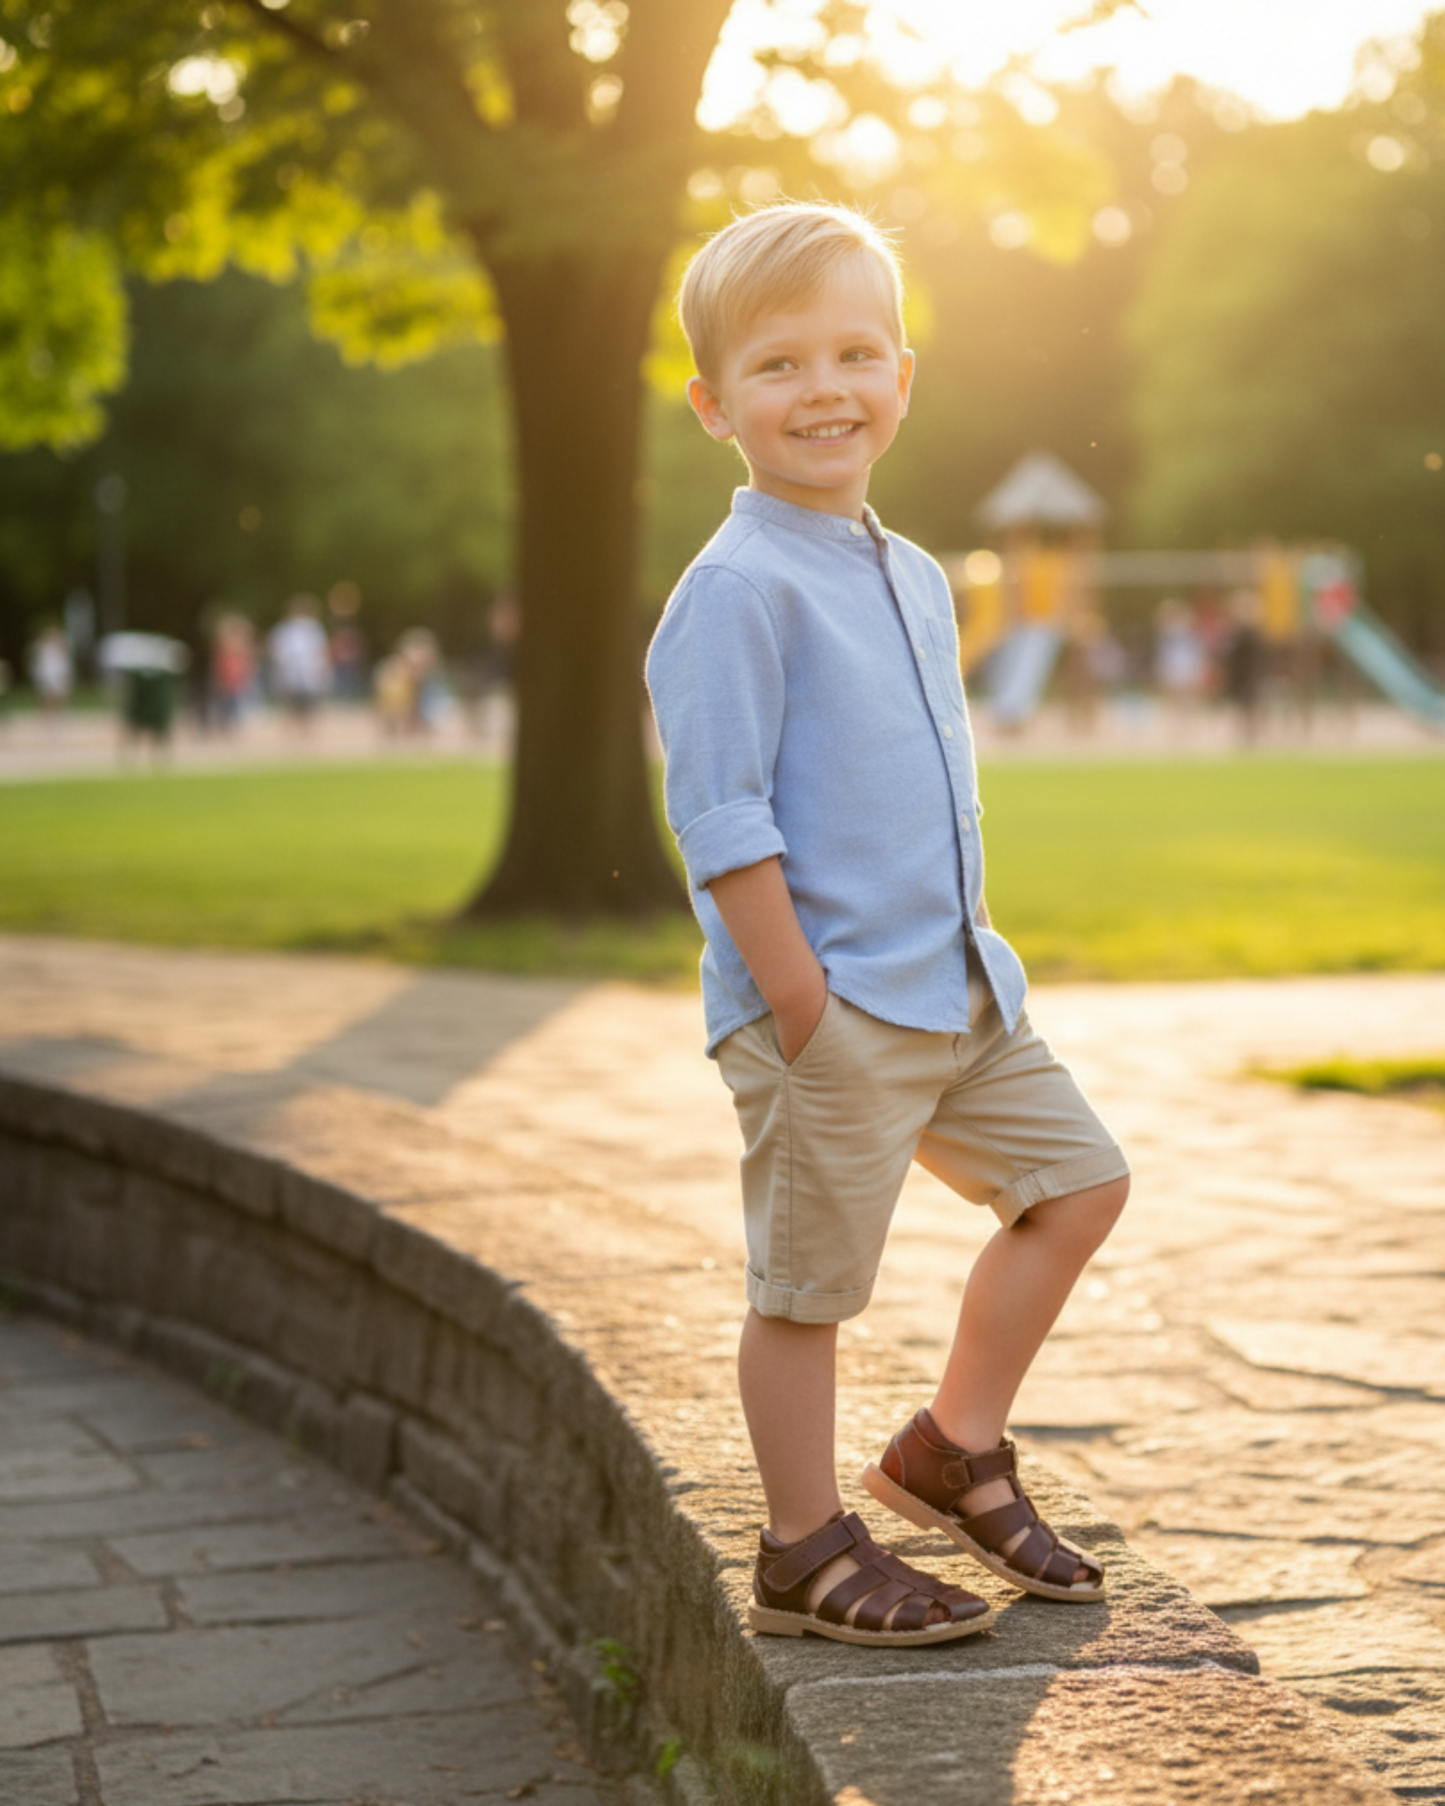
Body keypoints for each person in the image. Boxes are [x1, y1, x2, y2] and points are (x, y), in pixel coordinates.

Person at [646, 203, 1130, 1649]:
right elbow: (724, 815)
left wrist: (974, 960)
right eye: (781, 364)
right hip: (834, 1003)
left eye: (855, 352)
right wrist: (802, 1004)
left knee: (1078, 1186)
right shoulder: (734, 589)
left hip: (959, 989)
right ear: (714, 404)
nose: (824, 389)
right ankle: (800, 1546)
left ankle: (950, 1444)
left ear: (904, 379)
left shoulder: (914, 573)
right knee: (808, 1288)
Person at [267, 594, 331, 732]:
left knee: (307, 705)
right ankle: (296, 732)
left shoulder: (312, 629)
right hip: (293, 673)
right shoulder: (286, 630)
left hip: (307, 673)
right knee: (293, 705)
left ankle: (305, 732)